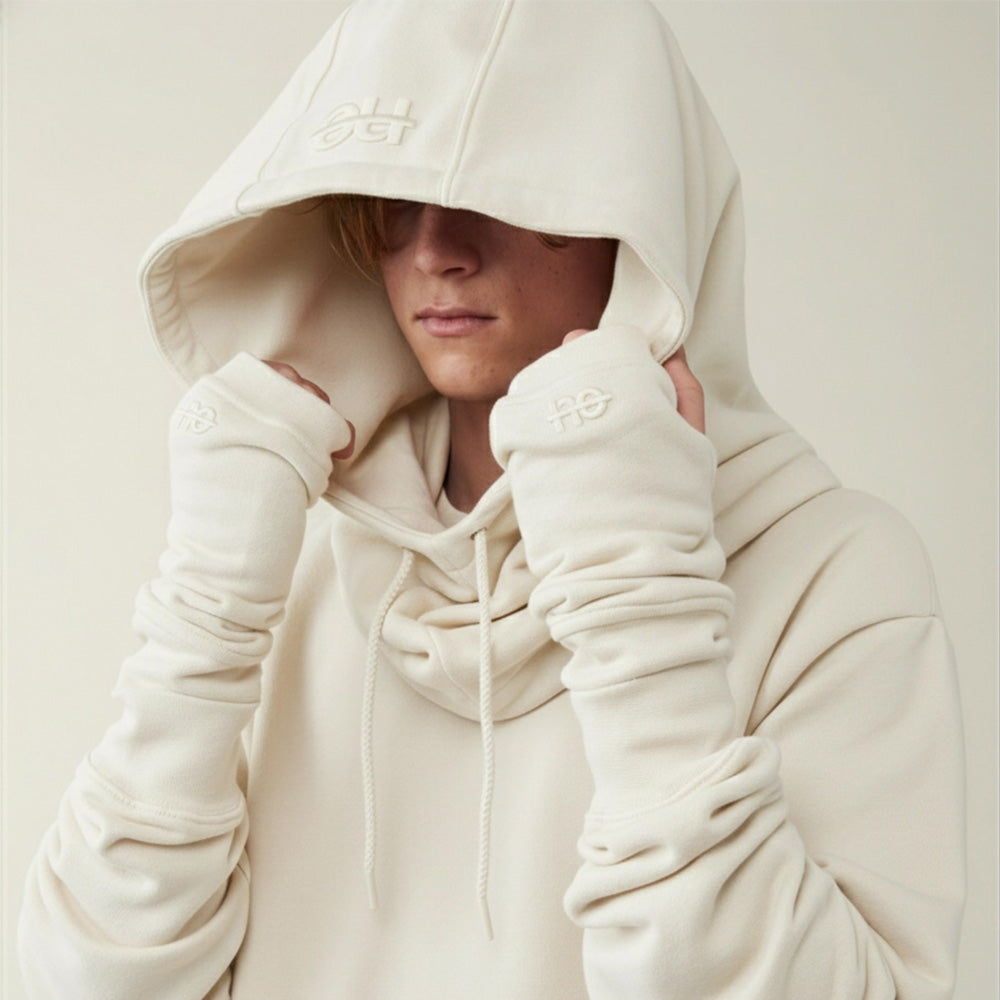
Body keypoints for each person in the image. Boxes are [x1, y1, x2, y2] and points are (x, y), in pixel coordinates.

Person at [17, 2, 965, 998]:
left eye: (505, 189)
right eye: (395, 199)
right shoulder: (292, 566)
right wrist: (206, 605)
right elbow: (83, 983)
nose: (438, 249)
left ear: (638, 219)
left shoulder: (832, 571)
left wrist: (641, 600)